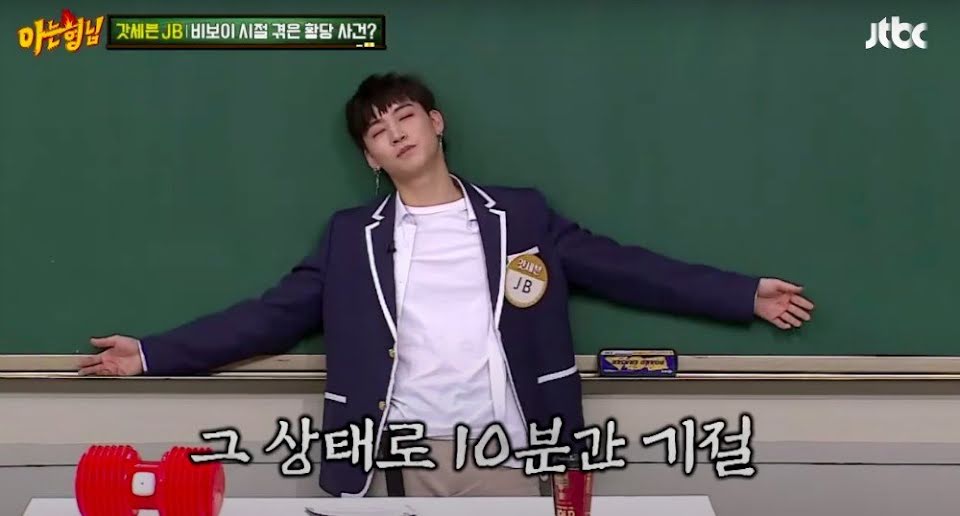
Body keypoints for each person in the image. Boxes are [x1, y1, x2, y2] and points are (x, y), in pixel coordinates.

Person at [77, 72, 815, 498]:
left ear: (436, 123)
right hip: (401, 453)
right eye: (377, 131)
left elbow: (628, 269)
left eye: (405, 117)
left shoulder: (520, 216)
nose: (396, 132)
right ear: (371, 158)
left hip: (507, 446)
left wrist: (740, 294)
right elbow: (269, 316)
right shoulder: (351, 237)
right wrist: (151, 353)